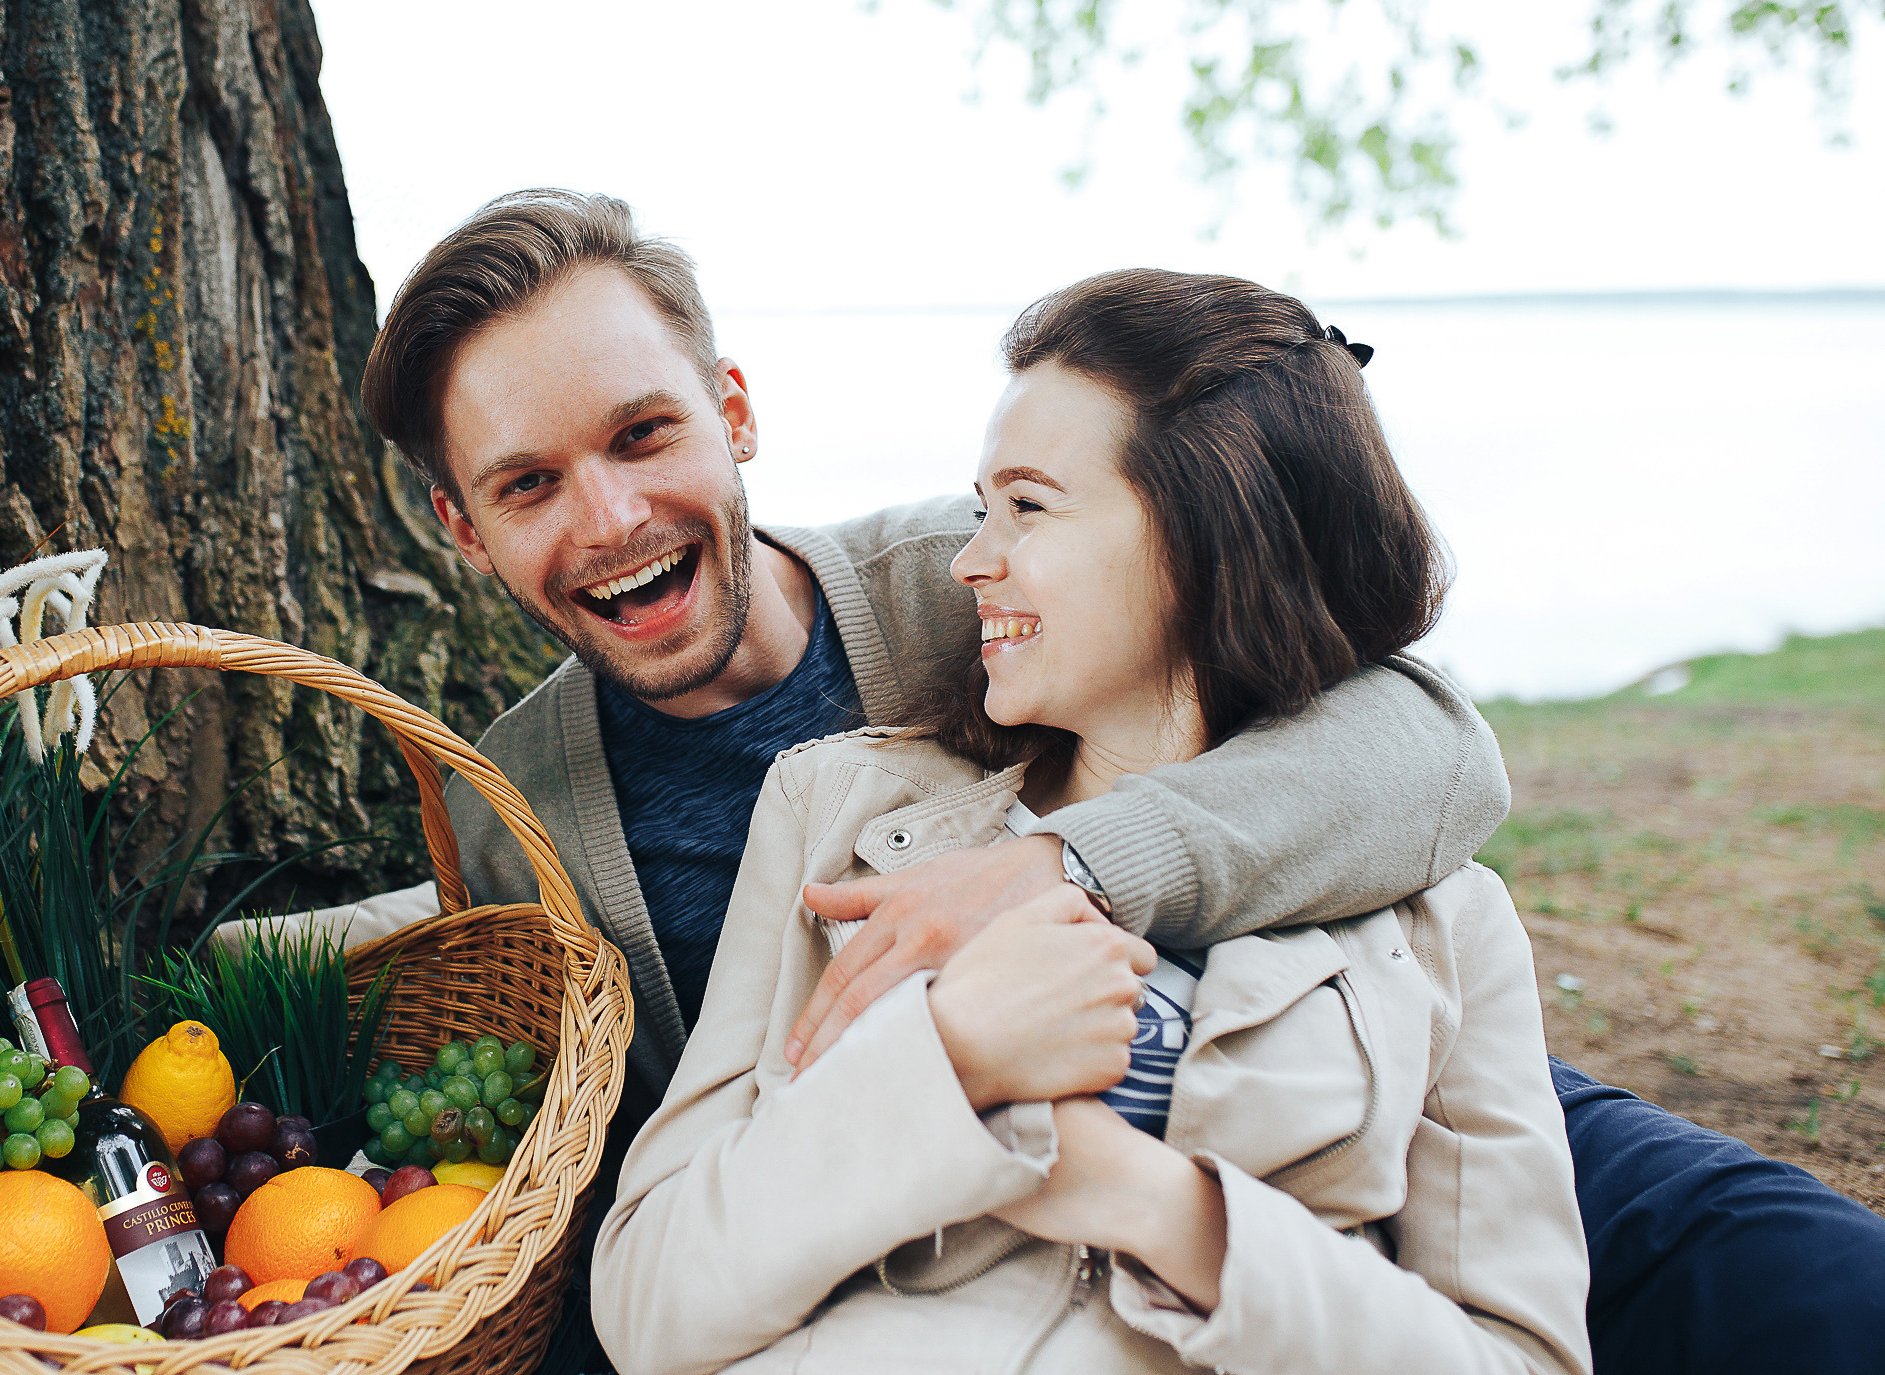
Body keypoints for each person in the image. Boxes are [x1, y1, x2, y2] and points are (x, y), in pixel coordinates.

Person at [314, 187, 1885, 1375]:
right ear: (464, 530)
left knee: (1803, 1282)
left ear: (733, 414)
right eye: (529, 484)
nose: (608, 519)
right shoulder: (518, 810)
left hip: (1334, 1048)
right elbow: (624, 1180)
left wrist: (1064, 870)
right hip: (907, 1212)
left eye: (644, 434)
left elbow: (1427, 748)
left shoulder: (977, 582)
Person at [592, 266, 1591, 1373]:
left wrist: (1163, 1209)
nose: (969, 560)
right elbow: (647, 1304)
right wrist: (946, 1064)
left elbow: (1528, 1360)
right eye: (982, 509)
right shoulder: (839, 809)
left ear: (1211, 534)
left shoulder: (1446, 924)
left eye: (1028, 507)